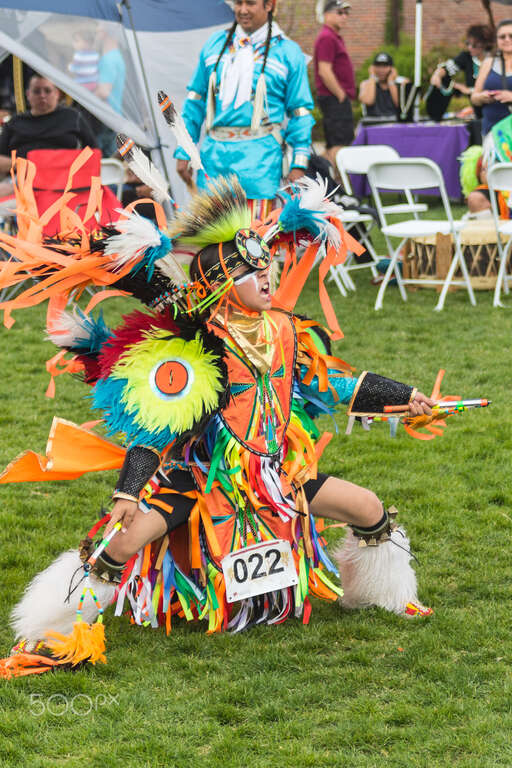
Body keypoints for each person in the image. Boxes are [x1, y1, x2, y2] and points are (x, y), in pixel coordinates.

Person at [0, 159, 445, 678]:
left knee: (368, 508)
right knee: (120, 541)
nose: (266, 276)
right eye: (252, 271)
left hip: (273, 477)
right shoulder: (197, 346)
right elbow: (157, 426)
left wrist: (404, 396)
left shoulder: (283, 329)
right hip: (201, 475)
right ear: (219, 281)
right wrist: (128, 490)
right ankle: (53, 634)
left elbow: (331, 385)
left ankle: (379, 596)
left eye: (267, 267)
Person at [175, 0, 314, 216]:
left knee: (255, 244)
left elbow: (301, 112)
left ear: (269, 5)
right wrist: (185, 148)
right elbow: (195, 101)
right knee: (212, 247)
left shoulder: (287, 52)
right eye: (238, 3)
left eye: (250, 3)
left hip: (261, 164)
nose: (243, 10)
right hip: (214, 162)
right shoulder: (215, 45)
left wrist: (299, 163)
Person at [0, 74, 97, 177]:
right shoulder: (15, 122)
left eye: (47, 90)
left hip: (64, 179)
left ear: (57, 94)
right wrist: (25, 165)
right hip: (22, 179)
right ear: (28, 95)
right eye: (36, 91)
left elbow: (94, 152)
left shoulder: (73, 117)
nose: (42, 95)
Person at [313, 0, 355, 175]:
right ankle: (335, 185)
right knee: (338, 145)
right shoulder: (326, 37)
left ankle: (317, 174)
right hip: (333, 99)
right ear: (326, 14)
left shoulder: (333, 37)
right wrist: (340, 95)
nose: (344, 17)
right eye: (340, 12)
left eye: (346, 13)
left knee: (337, 144)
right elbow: (324, 70)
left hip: (336, 99)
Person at [430, 24, 494, 116]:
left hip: (495, 111)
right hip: (478, 112)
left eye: (474, 45)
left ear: (485, 45)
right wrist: (437, 75)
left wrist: (467, 90)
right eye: (468, 43)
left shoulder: (495, 60)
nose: (470, 47)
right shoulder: (466, 57)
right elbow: (447, 68)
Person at [472, 19, 512, 136]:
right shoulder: (489, 62)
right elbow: (474, 97)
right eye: (502, 37)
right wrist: (482, 97)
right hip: (492, 132)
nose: (507, 39)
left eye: (511, 35)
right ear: (497, 40)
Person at [94, 26, 126, 156]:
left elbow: (104, 91)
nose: (96, 34)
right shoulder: (117, 56)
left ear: (105, 33)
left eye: (98, 30)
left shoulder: (108, 60)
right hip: (114, 117)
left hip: (106, 119)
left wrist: (83, 99)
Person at [359, 52, 401, 120]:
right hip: (373, 122)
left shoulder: (400, 83)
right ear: (372, 68)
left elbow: (399, 106)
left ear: (392, 68)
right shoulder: (366, 84)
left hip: (393, 122)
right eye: (378, 66)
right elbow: (368, 101)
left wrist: (390, 81)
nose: (381, 70)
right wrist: (372, 76)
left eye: (385, 66)